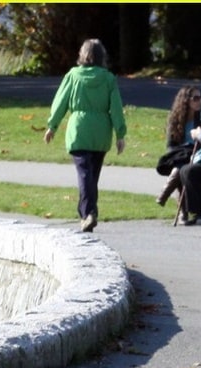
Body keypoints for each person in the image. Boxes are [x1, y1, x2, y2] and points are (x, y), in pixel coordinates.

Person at [44, 38, 126, 233]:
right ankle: (86, 213)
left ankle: (88, 212)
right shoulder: (108, 79)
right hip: (100, 132)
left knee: (84, 174)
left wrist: (52, 125)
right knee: (92, 175)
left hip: (79, 130)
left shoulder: (73, 76)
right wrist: (120, 133)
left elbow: (60, 101)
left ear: (83, 55)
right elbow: (116, 108)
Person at [156, 85, 201, 225]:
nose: (199, 101)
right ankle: (191, 212)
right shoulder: (176, 120)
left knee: (182, 169)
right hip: (182, 155)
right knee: (181, 166)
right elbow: (171, 146)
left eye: (200, 98)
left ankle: (182, 209)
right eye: (195, 98)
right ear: (185, 101)